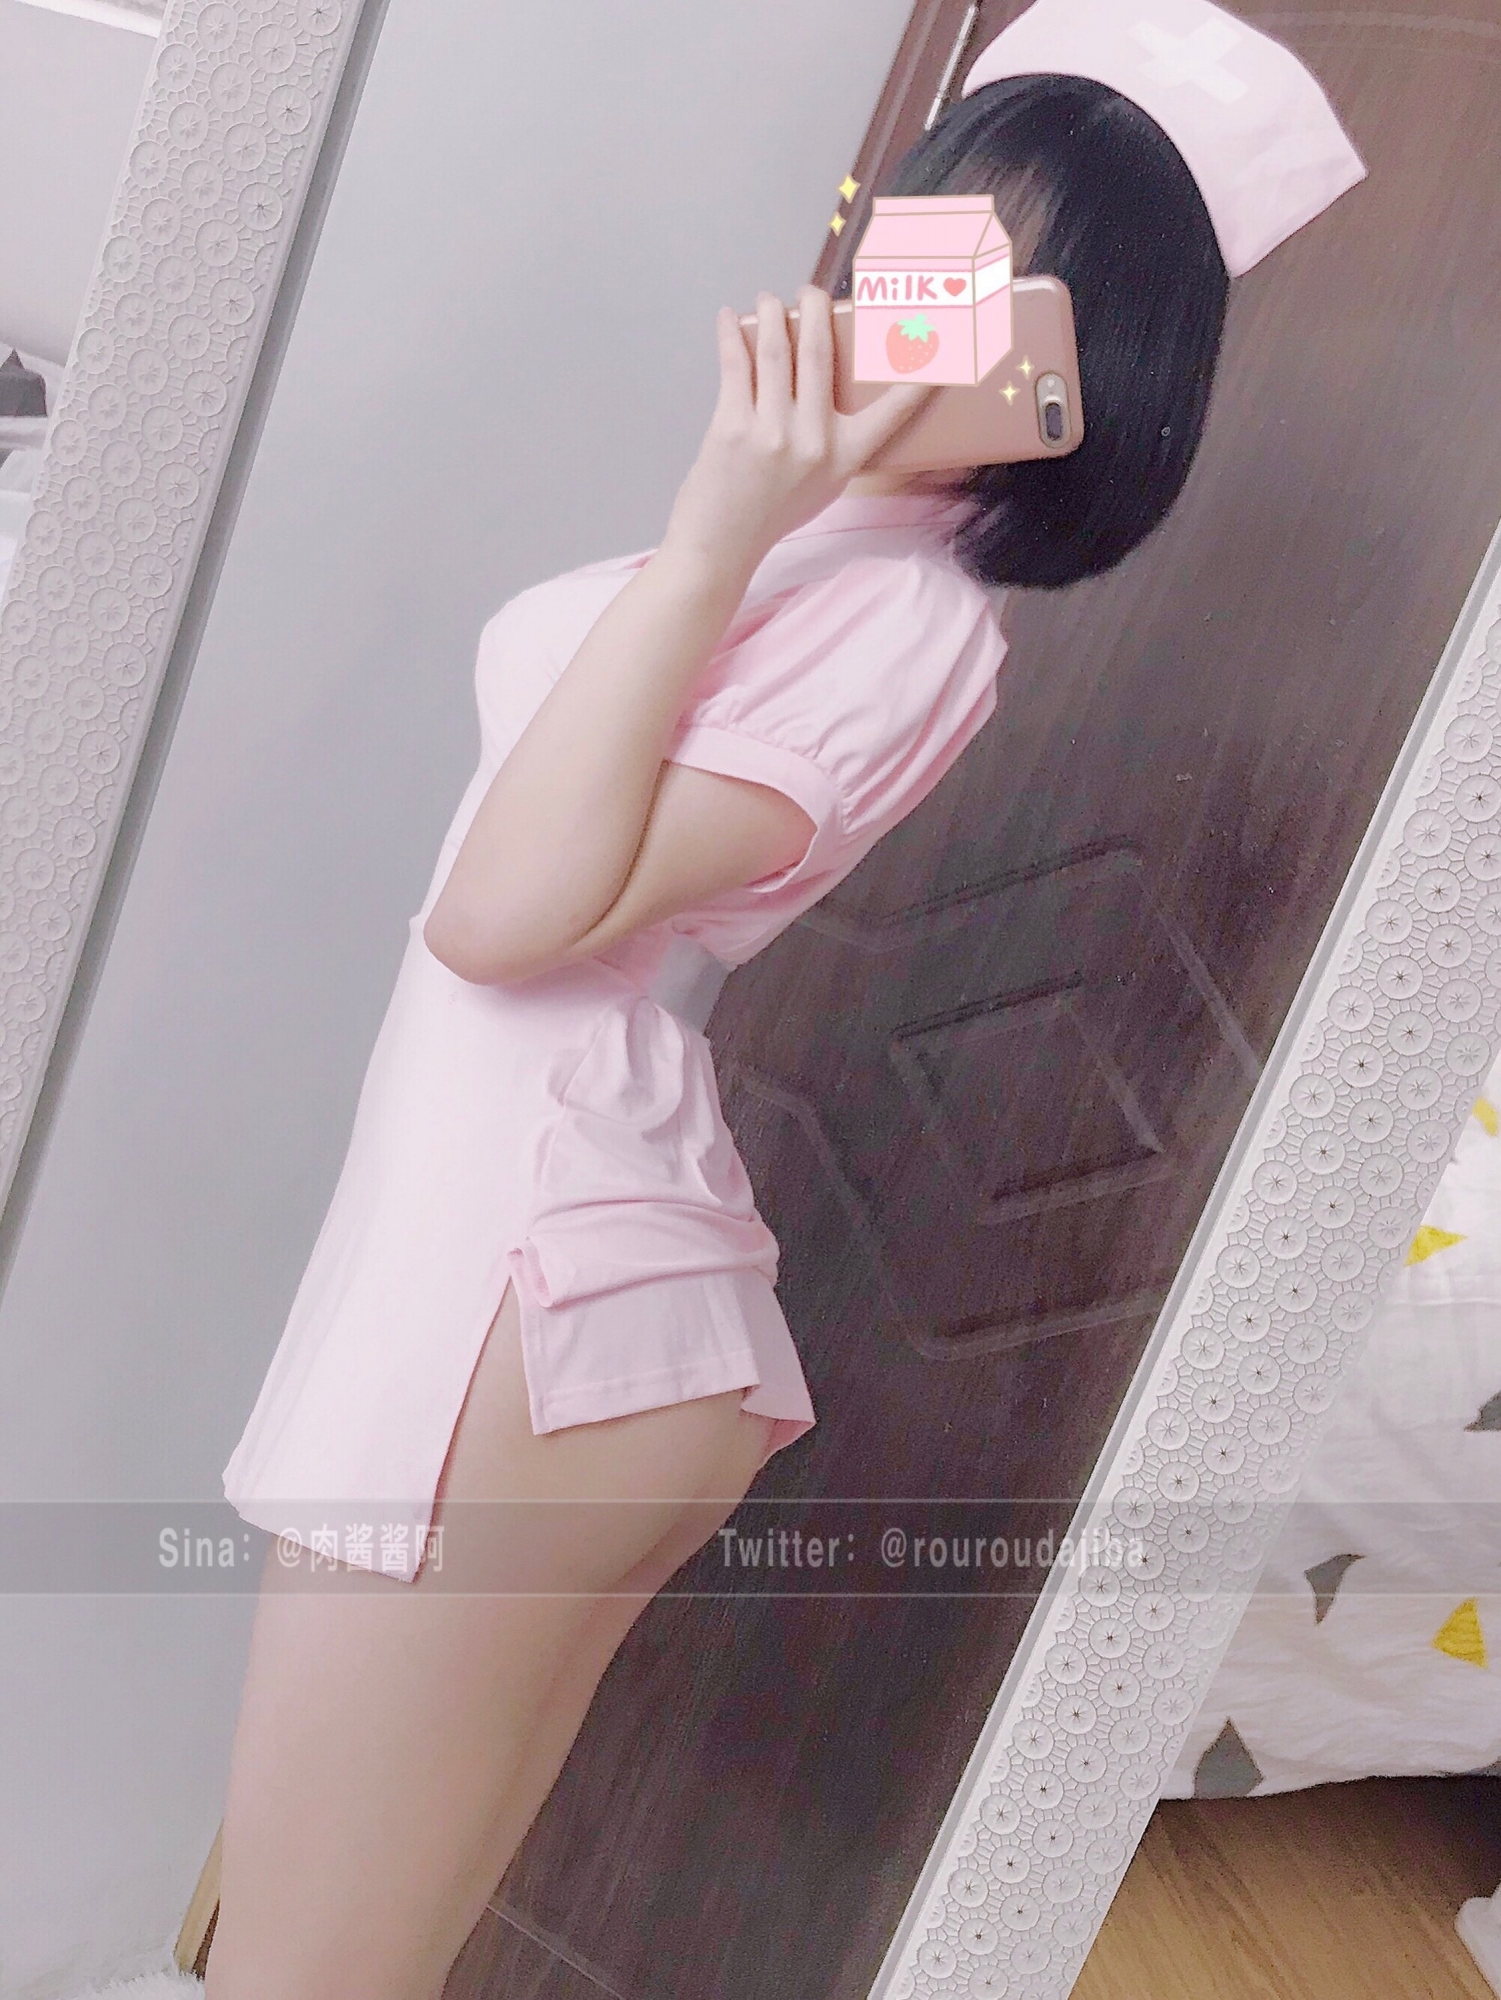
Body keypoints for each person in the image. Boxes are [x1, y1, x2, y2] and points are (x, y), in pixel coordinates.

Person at [208, 9, 1365, 1994]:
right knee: (342, 1947)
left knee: (302, 1969)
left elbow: (502, 917)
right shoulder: (834, 549)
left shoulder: (909, 614)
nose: (914, 302)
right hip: (530, 1282)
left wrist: (717, 522)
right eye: (925, 235)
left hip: (526, 1309)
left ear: (1087, 377)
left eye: (999, 285)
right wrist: (735, 525)